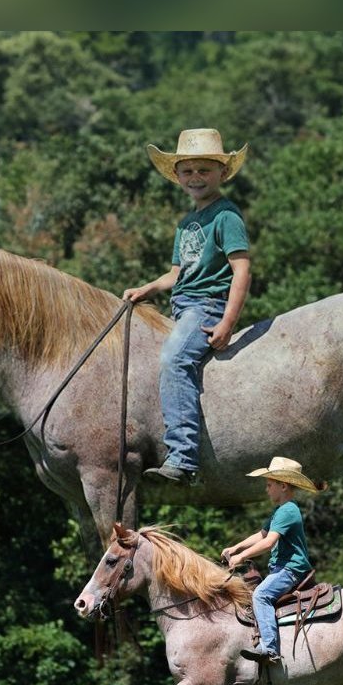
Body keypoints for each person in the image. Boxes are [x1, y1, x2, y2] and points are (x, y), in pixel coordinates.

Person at [124, 128, 252, 485]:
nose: (196, 178)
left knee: (174, 359)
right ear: (177, 176)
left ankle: (183, 459)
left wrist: (227, 321)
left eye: (204, 170)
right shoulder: (186, 223)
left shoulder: (226, 216)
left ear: (222, 173)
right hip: (181, 305)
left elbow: (242, 271)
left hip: (207, 306)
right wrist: (147, 288)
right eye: (188, 171)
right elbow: (177, 274)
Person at [222, 457, 327, 663]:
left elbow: (268, 542)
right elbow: (261, 534)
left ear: (283, 485)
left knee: (260, 595)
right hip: (282, 568)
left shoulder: (288, 510)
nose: (266, 490)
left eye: (269, 485)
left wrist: (241, 556)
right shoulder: (280, 511)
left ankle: (269, 650)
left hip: (291, 569)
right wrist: (236, 547)